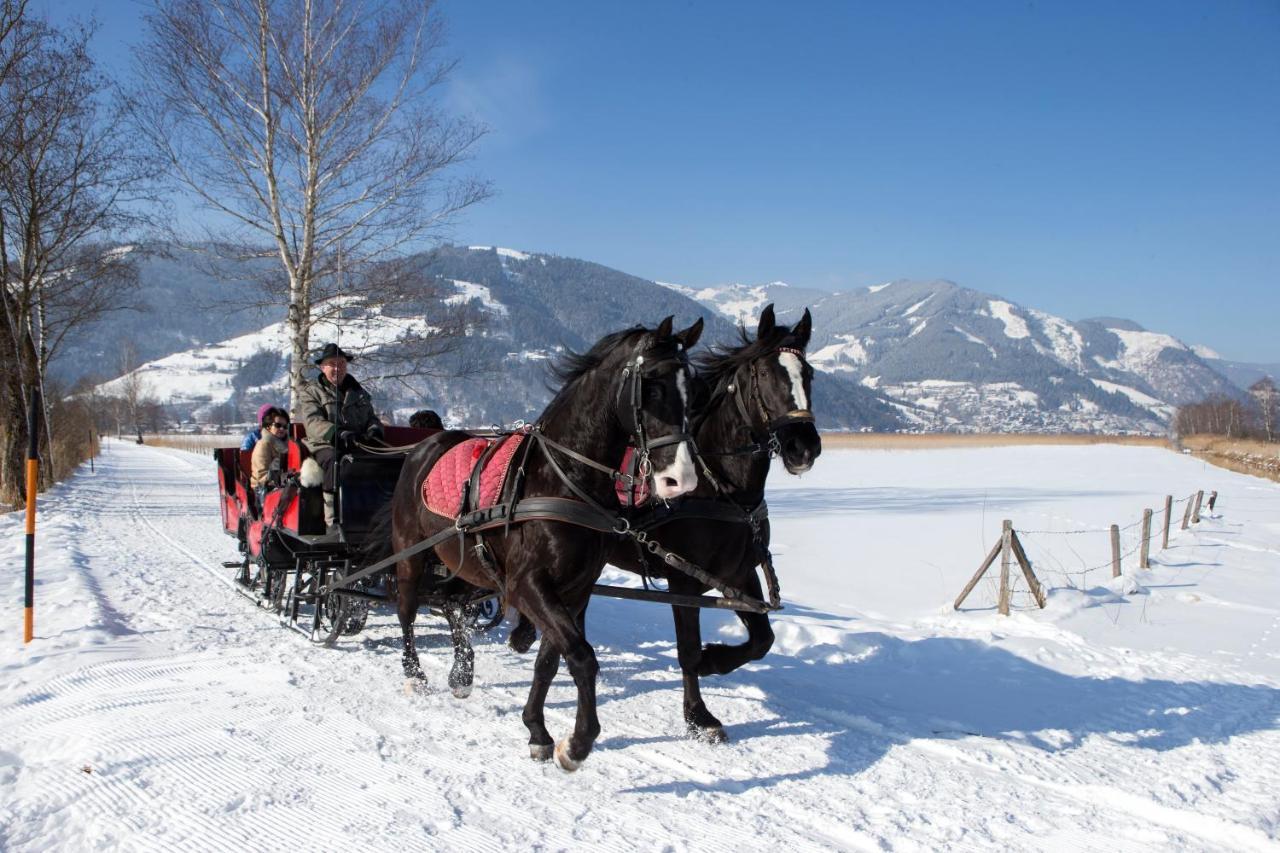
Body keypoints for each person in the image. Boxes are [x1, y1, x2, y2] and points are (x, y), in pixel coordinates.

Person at [299, 343, 384, 526]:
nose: (338, 368)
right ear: (323, 367)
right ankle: (332, 518)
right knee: (334, 459)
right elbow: (313, 422)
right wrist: (336, 433)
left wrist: (374, 430)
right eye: (332, 364)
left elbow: (372, 417)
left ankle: (377, 514)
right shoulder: (311, 392)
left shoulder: (359, 393)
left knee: (383, 460)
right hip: (323, 445)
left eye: (342, 364)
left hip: (357, 443)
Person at [250, 407, 290, 501]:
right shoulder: (263, 444)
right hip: (263, 491)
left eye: (285, 426)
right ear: (268, 426)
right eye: (278, 425)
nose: (282, 429)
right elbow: (261, 476)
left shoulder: (289, 444)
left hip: (283, 486)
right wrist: (278, 475)